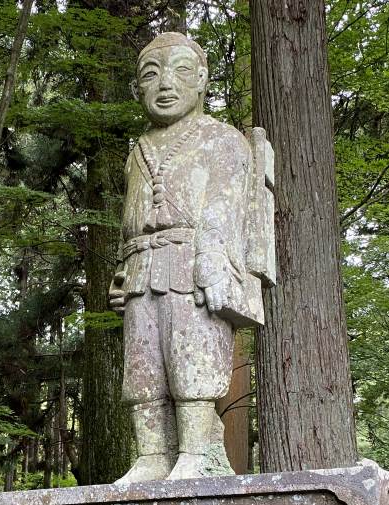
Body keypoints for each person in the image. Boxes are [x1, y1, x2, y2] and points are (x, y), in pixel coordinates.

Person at [109, 32, 257, 482]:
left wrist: (212, 259)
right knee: (143, 367)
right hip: (141, 266)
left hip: (195, 264)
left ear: (202, 81)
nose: (165, 84)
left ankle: (196, 451)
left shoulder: (222, 140)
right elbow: (129, 216)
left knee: (191, 358)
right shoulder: (137, 151)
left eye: (180, 72)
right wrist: (121, 269)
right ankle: (151, 455)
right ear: (138, 89)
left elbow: (225, 207)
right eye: (151, 75)